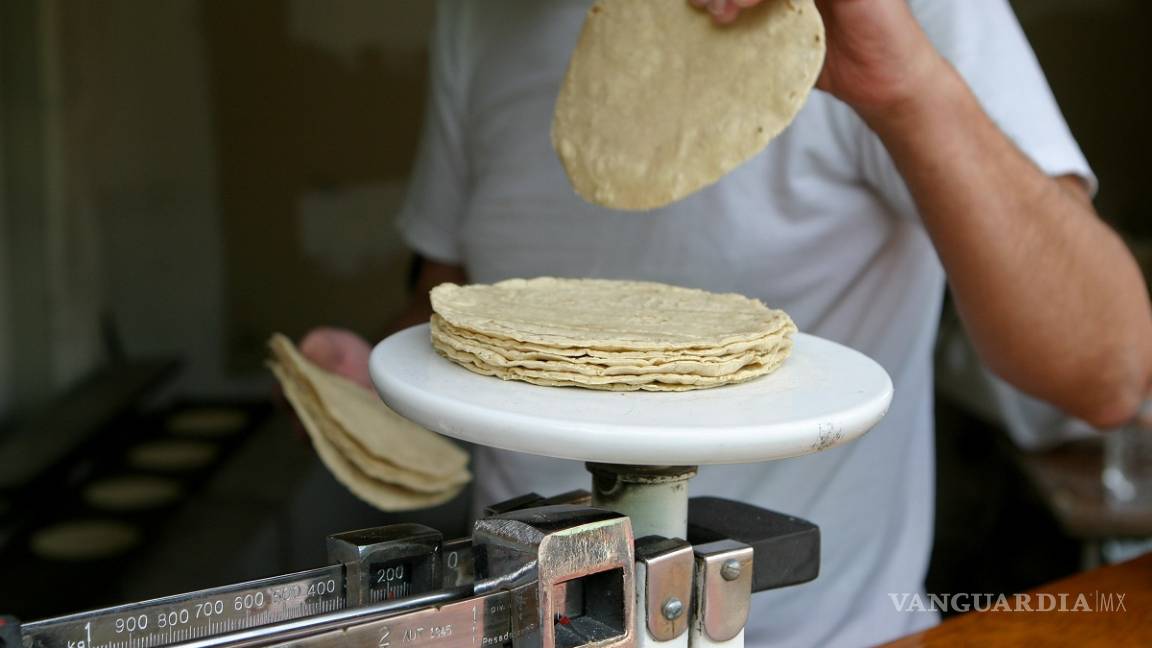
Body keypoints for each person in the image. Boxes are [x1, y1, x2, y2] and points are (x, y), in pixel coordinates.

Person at [302, 0, 1152, 644]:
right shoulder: (486, 17)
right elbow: (458, 307)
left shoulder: (912, 14)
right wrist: (366, 385)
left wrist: (901, 81)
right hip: (527, 623)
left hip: (829, 631)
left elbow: (1105, 370)